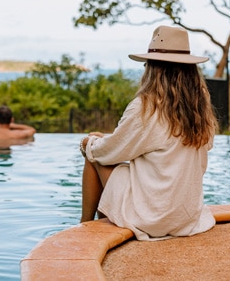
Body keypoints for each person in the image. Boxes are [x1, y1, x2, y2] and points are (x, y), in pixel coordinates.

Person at [79, 25, 218, 241]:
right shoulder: (200, 108)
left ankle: (83, 227)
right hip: (186, 217)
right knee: (102, 149)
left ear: (153, 68)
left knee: (93, 156)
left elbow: (108, 153)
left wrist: (90, 142)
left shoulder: (146, 107)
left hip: (152, 217)